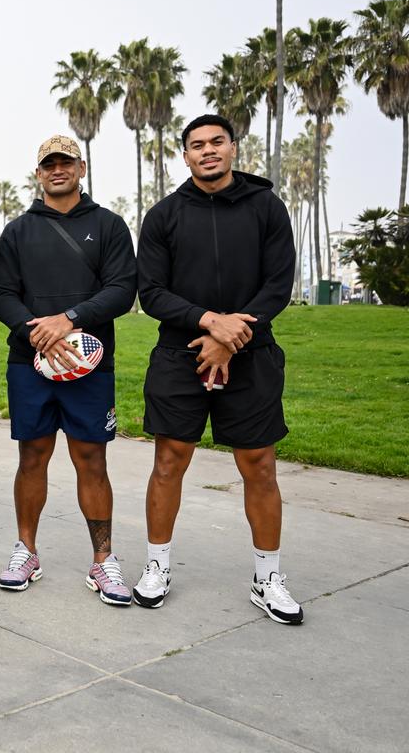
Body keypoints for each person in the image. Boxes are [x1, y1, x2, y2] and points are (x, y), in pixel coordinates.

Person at [134, 114, 302, 624]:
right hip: (178, 355)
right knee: (170, 461)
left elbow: (277, 285)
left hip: (251, 354)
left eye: (216, 142)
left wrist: (231, 339)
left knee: (260, 466)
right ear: (183, 156)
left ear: (232, 148)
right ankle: (157, 566)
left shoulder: (267, 208)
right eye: (196, 145)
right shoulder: (163, 215)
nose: (207, 151)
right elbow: (152, 292)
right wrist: (209, 323)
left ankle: (267, 578)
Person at [0, 135, 137, 605]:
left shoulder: (109, 225)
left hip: (90, 363)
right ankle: (26, 551)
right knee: (32, 456)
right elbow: (2, 293)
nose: (58, 170)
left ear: (82, 167)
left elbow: (121, 290)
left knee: (91, 460)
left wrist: (68, 320)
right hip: (30, 361)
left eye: (66, 162)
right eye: (49, 164)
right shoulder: (17, 230)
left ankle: (103, 561)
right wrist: (34, 330)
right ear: (38, 173)